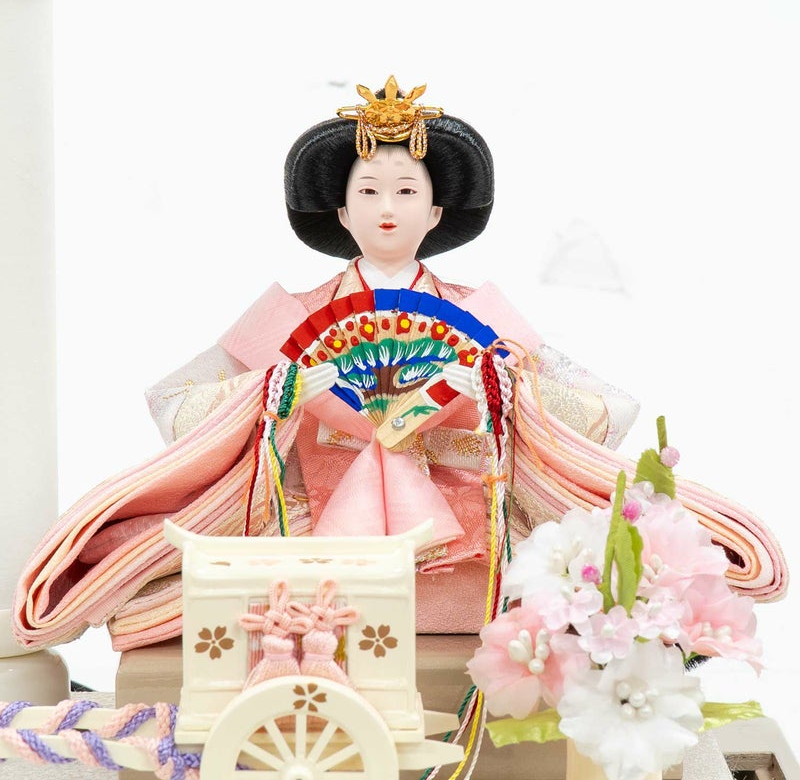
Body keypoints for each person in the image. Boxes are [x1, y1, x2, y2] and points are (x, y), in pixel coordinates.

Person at [12, 76, 786, 654]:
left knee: (543, 585)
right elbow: (178, 402)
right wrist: (280, 391)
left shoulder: (481, 312)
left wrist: (501, 391)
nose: (388, 206)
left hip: (463, 527)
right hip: (317, 516)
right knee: (243, 583)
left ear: (437, 211)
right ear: (341, 210)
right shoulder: (290, 314)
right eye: (370, 190)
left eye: (407, 189)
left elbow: (605, 408)